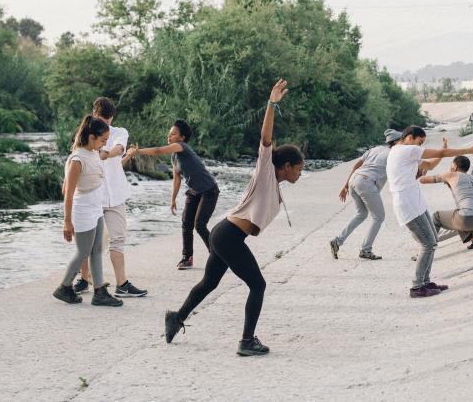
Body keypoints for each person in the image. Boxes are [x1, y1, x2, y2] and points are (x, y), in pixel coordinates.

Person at [163, 80, 303, 357]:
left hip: (224, 234)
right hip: (227, 236)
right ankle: (247, 341)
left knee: (209, 283)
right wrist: (271, 105)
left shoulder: (275, 185)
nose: (301, 173)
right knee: (258, 285)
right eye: (299, 168)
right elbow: (265, 139)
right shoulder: (266, 171)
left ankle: (176, 318)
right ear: (286, 166)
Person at [386, 126, 473, 298]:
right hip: (407, 204)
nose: (420, 145)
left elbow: (429, 165)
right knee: (428, 244)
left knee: (433, 241)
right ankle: (417, 286)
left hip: (416, 203)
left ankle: (426, 281)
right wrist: (469, 150)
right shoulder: (404, 150)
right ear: (409, 137)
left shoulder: (405, 153)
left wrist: (442, 151)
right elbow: (439, 155)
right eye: (420, 141)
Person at [72, 97, 147, 298]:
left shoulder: (120, 132)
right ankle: (83, 280)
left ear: (112, 117)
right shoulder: (85, 138)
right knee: (88, 243)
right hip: (93, 197)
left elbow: (119, 148)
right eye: (101, 119)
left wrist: (108, 153)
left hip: (115, 195)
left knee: (118, 239)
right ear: (94, 114)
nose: (105, 124)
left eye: (108, 120)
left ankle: (122, 284)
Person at [128, 120, 219, 269]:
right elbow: (176, 179)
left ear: (182, 137)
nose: (169, 136)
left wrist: (138, 151)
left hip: (209, 190)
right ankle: (187, 258)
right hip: (194, 191)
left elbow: (158, 151)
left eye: (173, 134)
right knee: (186, 224)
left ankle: (217, 255)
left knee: (199, 225)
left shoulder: (181, 147)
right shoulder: (174, 156)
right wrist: (173, 199)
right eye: (168, 134)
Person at [52, 116, 123, 307]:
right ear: (91, 137)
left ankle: (100, 292)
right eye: (102, 140)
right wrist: (67, 221)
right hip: (82, 211)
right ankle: (64, 287)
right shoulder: (77, 159)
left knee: (97, 250)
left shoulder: (94, 152)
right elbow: (67, 193)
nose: (104, 144)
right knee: (83, 251)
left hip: (96, 208)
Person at [329, 129, 403, 261]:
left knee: (361, 214)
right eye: (402, 140)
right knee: (379, 217)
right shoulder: (394, 154)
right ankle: (366, 250)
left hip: (355, 179)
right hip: (366, 183)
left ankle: (337, 241)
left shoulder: (376, 149)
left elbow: (357, 164)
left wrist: (346, 184)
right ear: (396, 142)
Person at [418, 156, 473, 250]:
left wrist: (424, 170)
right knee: (459, 213)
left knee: (437, 217)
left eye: (451, 165)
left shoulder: (451, 175)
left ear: (454, 166)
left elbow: (422, 180)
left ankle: (427, 247)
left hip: (467, 218)